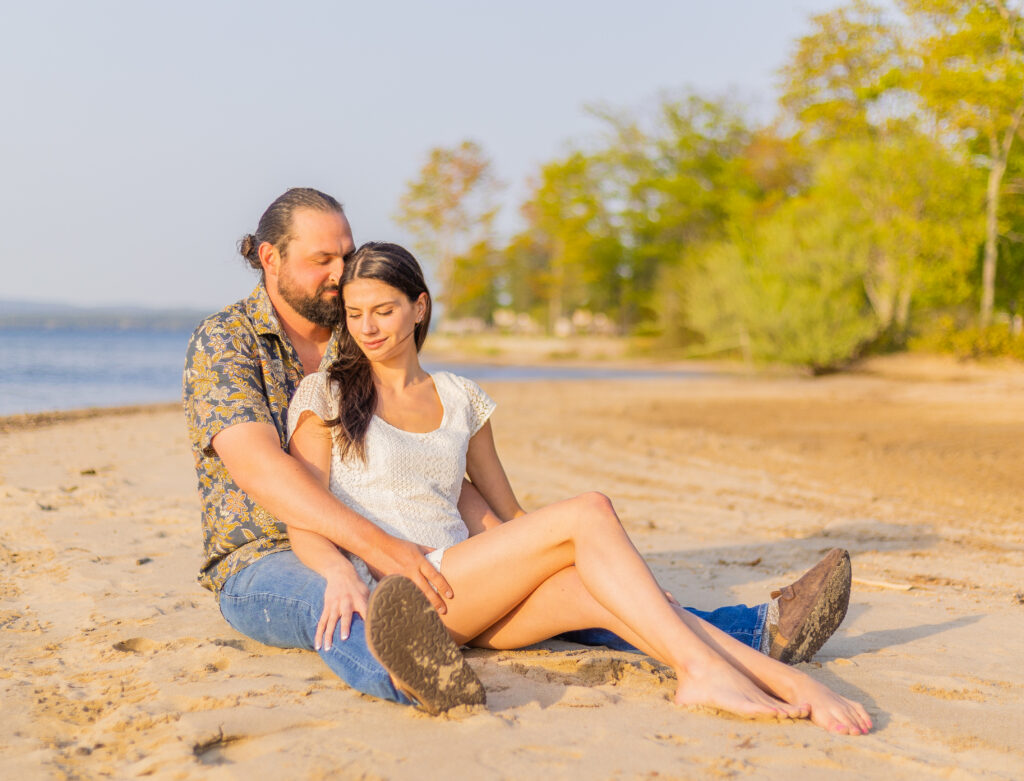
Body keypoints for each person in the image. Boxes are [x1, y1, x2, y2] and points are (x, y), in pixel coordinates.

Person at [182, 187, 852, 714]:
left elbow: (434, 476)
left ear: (414, 307)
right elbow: (263, 471)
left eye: (346, 256)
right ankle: (412, 676)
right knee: (342, 601)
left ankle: (752, 639)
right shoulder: (227, 342)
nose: (341, 276)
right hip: (269, 554)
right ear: (270, 259)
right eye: (322, 261)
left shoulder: (354, 333)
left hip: (414, 555)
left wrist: (526, 546)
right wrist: (372, 554)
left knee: (590, 581)